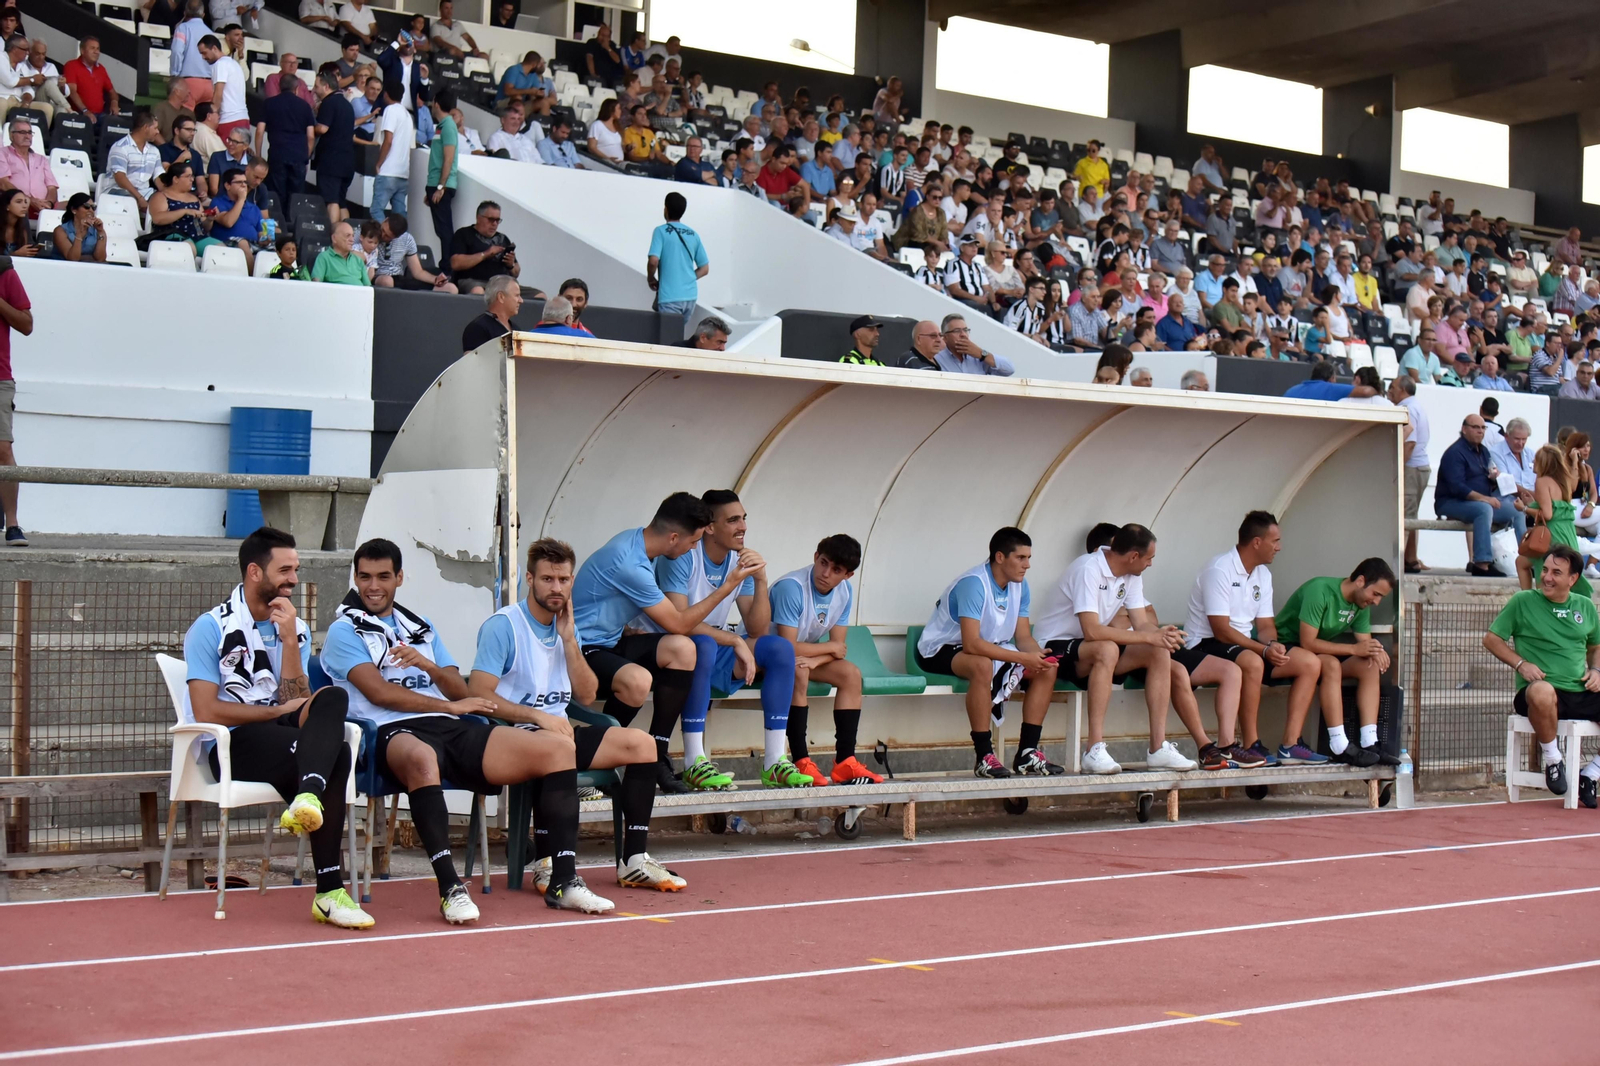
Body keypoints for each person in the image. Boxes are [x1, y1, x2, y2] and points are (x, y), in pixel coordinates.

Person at [320, 539, 581, 920]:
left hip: (447, 725)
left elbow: (459, 688)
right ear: (355, 579)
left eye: (383, 576)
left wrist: (426, 666)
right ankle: (450, 887)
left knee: (558, 748)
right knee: (424, 759)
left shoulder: (419, 626)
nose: (373, 586)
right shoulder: (345, 631)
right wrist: (449, 706)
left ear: (399, 578)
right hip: (387, 733)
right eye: (365, 577)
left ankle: (564, 881)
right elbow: (379, 693)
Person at [466, 536, 683, 895]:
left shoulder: (567, 626)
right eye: (548, 579)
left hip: (560, 732)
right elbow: (478, 694)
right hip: (512, 736)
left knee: (642, 745)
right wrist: (537, 717)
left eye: (564, 580)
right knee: (556, 745)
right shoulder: (504, 626)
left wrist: (569, 641)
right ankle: (548, 862)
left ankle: (634, 861)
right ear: (530, 579)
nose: (556, 588)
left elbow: (584, 694)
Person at [181, 528, 371, 927]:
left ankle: (307, 797)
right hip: (232, 743)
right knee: (336, 754)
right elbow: (205, 709)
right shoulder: (210, 627)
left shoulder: (292, 627)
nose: (294, 579)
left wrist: (288, 641)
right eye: (285, 570)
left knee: (333, 699)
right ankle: (330, 891)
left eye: (296, 569)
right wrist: (272, 713)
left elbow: (297, 696)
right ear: (254, 572)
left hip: (283, 729)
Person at [573, 493, 760, 793]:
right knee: (637, 680)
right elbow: (678, 622)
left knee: (683, 649)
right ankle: (591, 762)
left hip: (612, 642)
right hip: (581, 650)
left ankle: (657, 756)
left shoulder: (639, 543)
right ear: (674, 538)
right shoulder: (629, 563)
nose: (694, 548)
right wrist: (728, 585)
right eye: (693, 541)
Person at [637, 490, 810, 790]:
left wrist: (760, 580)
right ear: (710, 527)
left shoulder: (737, 560)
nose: (742, 526)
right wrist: (733, 641)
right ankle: (694, 761)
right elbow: (679, 622)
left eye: (743, 518)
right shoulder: (682, 556)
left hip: (712, 646)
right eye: (733, 520)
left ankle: (774, 761)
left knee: (779, 649)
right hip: (668, 649)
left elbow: (756, 630)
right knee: (701, 645)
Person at [1031, 523, 1210, 774]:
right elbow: (1091, 630)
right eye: (1149, 558)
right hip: (1054, 647)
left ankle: (1158, 749)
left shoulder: (1131, 575)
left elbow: (1140, 623)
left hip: (1091, 649)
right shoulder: (1088, 568)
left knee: (1159, 651)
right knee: (1107, 649)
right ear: (1133, 556)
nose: (1150, 564)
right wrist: (1148, 637)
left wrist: (1160, 635)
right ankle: (1094, 749)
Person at [913, 528, 1064, 778]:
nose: (1027, 565)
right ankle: (984, 756)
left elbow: (1023, 637)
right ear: (1000, 557)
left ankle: (1027, 752)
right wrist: (1021, 658)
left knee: (1046, 669)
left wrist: (1036, 656)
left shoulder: (1020, 586)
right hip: (940, 649)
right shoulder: (974, 584)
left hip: (988, 649)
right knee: (982, 665)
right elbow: (971, 644)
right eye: (1021, 558)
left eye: (1029, 558)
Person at [1182, 511, 1326, 766]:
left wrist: (1273, 645)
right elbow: (1221, 630)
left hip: (1245, 645)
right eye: (1275, 541)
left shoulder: (1263, 575)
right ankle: (1251, 744)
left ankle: (1291, 745)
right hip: (1205, 644)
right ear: (1257, 542)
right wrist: (1262, 650)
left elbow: (1266, 625)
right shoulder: (1220, 569)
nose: (1279, 548)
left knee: (1310, 663)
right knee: (1253, 661)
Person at [1482, 544, 1600, 804]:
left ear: (1573, 579)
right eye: (1544, 570)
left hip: (1578, 690)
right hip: (1537, 692)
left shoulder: (1584, 605)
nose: (1546, 577)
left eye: (1556, 573)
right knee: (1543, 690)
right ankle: (1553, 760)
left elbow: (1596, 646)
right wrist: (1521, 663)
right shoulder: (1522, 601)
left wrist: (1596, 670)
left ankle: (1590, 775)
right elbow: (1491, 639)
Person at [770, 533, 883, 785]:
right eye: (823, 563)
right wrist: (822, 652)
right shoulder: (792, 587)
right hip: (763, 656)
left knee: (851, 674)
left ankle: (845, 762)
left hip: (800, 656)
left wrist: (817, 659)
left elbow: (838, 649)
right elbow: (785, 646)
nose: (825, 573)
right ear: (815, 557)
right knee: (799, 669)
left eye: (836, 569)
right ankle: (800, 761)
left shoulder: (845, 591)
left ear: (847, 575)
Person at [1274, 560, 1398, 768]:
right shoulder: (1320, 590)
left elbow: (1364, 643)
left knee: (1369, 665)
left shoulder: (1360, 604)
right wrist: (1353, 650)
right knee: (1331, 664)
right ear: (1360, 581)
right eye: (1375, 594)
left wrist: (1376, 652)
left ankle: (1369, 742)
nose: (1376, 602)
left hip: (1315, 656)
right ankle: (1339, 745)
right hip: (1284, 651)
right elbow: (1308, 642)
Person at [1434, 412, 1526, 578]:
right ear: (1464, 429)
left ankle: (1526, 561)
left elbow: (1485, 480)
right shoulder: (1455, 453)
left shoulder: (1483, 451)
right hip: (1451, 502)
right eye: (1475, 427)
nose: (1480, 431)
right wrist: (1485, 498)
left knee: (1516, 510)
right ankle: (1482, 564)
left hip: (1479, 502)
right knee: (1484, 509)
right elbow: (1457, 487)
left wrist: (1493, 478)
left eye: (1483, 427)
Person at [1517, 446, 1593, 599]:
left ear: (1543, 462)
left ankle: (1530, 602)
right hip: (1567, 532)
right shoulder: (1563, 480)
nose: (1533, 461)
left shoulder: (1542, 481)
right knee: (1522, 563)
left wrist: (1524, 508)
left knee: (1546, 575)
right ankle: (1527, 599)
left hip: (1552, 535)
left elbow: (1548, 514)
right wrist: (1533, 503)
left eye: (1536, 459)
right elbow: (1554, 505)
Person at [646, 191, 707, 340]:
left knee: (667, 339)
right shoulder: (693, 234)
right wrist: (687, 277)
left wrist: (650, 278)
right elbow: (704, 269)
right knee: (676, 335)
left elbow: (654, 260)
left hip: (670, 297)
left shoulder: (661, 231)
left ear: (665, 209)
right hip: (690, 296)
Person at [256, 73, 314, 208]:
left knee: (276, 193)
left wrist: (258, 155)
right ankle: (293, 224)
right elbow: (310, 136)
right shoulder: (305, 106)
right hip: (298, 155)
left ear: (279, 86)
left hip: (277, 153)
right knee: (296, 195)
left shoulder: (269, 103)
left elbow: (259, 130)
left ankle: (277, 223)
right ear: (297, 88)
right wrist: (306, 157)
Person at [450, 199, 519, 295]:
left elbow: (516, 272)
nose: (494, 224)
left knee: (540, 296)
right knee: (478, 291)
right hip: (473, 281)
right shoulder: (464, 234)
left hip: (500, 283)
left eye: (497, 220)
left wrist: (511, 265)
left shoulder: (503, 238)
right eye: (491, 219)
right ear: (479, 218)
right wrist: (485, 254)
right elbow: (455, 263)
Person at [371, 81, 413, 218]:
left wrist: (379, 163)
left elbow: (388, 141)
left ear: (386, 94)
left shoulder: (390, 110)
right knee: (399, 216)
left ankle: (383, 238)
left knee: (376, 211)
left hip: (388, 171)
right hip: (403, 173)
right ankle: (401, 240)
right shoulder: (407, 115)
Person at [935, 313, 1014, 375]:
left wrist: (981, 354)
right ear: (945, 337)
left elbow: (1009, 369)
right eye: (957, 331)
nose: (963, 334)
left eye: (965, 330)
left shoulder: (978, 356)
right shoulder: (937, 359)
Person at [461, 274, 522, 351]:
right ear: (501, 297)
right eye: (517, 295)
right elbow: (472, 361)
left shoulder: (516, 330)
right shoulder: (477, 329)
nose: (521, 300)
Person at [63, 36, 118, 115]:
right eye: (92, 48)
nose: (96, 52)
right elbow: (72, 92)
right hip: (80, 114)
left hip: (100, 115)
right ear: (82, 51)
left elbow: (112, 92)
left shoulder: (101, 69)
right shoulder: (71, 65)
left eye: (98, 48)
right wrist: (85, 111)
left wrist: (114, 102)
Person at [311, 219, 370, 286]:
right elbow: (316, 284)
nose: (352, 240)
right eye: (347, 236)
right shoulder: (324, 257)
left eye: (353, 236)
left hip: (359, 295)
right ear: (334, 238)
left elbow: (368, 287)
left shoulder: (358, 260)